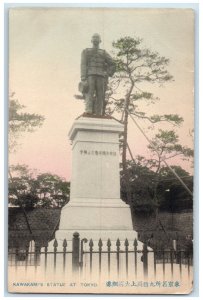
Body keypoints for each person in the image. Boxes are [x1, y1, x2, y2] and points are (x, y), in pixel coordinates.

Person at [80, 33, 115, 116]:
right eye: (94, 37)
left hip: (101, 76)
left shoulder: (103, 52)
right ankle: (88, 110)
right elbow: (83, 64)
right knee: (89, 93)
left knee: (100, 95)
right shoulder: (86, 51)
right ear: (91, 40)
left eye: (97, 37)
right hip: (90, 75)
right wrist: (83, 78)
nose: (95, 38)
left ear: (100, 40)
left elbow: (113, 63)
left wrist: (108, 73)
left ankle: (99, 112)